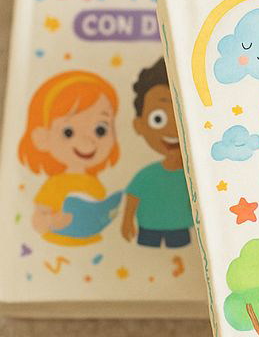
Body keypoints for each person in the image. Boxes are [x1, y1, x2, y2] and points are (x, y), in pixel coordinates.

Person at [18, 70, 120, 245]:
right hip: (56, 247)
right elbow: (38, 220)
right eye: (68, 132)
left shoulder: (94, 184)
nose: (88, 142)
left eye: (100, 130)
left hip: (94, 245)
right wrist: (52, 221)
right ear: (42, 138)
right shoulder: (55, 184)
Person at [121, 58, 193, 248]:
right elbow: (133, 196)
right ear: (139, 125)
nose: (172, 130)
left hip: (180, 227)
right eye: (158, 119)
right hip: (149, 227)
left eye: (181, 118)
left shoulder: (195, 177)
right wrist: (127, 220)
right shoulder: (147, 175)